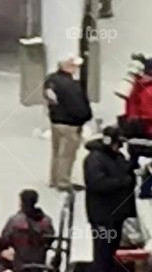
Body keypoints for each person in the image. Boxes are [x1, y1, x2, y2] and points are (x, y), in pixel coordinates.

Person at [84, 126, 136, 272]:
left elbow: (125, 169)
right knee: (102, 254)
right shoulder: (95, 159)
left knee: (112, 252)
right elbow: (97, 183)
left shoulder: (117, 157)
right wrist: (122, 182)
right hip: (102, 216)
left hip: (116, 215)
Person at [44, 55, 92, 190]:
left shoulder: (51, 80)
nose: (76, 69)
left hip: (55, 121)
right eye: (73, 66)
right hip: (70, 124)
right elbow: (78, 106)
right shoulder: (71, 85)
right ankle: (63, 182)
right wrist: (85, 117)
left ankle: (54, 179)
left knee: (56, 152)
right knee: (67, 155)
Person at [0, 190, 54, 272]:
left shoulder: (16, 221)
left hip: (19, 263)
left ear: (21, 202)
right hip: (39, 262)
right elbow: (50, 240)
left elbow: (4, 241)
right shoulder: (46, 221)